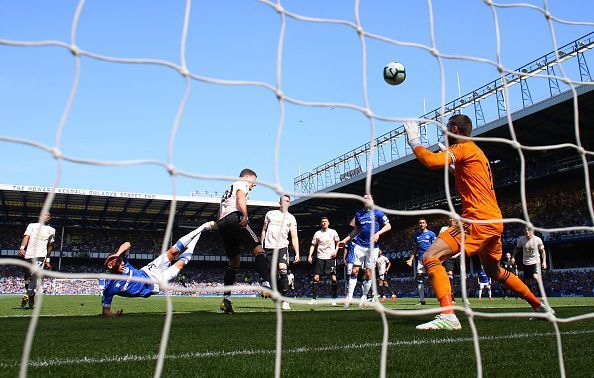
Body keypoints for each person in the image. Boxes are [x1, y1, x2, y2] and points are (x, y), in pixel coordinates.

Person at [404, 115, 550, 330]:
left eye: (447, 129)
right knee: (494, 271)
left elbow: (431, 161)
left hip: (477, 220)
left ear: (454, 128)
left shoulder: (464, 148)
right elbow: (474, 179)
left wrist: (414, 140)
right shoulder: (477, 153)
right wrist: (456, 168)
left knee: (430, 256)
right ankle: (539, 307)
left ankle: (449, 316)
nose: (445, 133)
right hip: (494, 221)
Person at [102, 222, 214, 317]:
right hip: (153, 284)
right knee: (180, 265)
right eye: (118, 262)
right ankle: (197, 237)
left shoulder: (124, 262)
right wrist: (114, 314)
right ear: (111, 266)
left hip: (148, 270)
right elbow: (105, 311)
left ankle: (202, 228)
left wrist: (117, 254)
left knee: (173, 251)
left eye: (121, 260)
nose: (122, 262)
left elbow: (128, 244)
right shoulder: (109, 288)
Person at [217, 168, 272, 314]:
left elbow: (220, 210)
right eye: (254, 181)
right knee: (258, 249)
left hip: (222, 223)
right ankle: (265, 284)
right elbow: (241, 197)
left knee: (233, 263)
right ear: (247, 178)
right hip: (235, 217)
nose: (254, 185)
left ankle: (226, 300)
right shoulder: (241, 184)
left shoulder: (227, 190)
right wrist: (245, 215)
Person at [339, 194, 391, 308]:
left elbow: (388, 226)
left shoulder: (378, 213)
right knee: (354, 271)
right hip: (359, 246)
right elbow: (356, 230)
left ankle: (364, 296)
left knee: (368, 273)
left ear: (372, 200)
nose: (366, 200)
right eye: (364, 198)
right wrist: (345, 239)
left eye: (368, 198)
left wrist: (378, 233)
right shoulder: (359, 214)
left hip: (373, 248)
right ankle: (349, 297)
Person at [261, 194, 300, 310]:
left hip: (282, 246)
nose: (286, 203)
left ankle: (285, 300)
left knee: (283, 269)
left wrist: (297, 252)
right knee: (272, 274)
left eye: (288, 201)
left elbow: (294, 237)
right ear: (280, 203)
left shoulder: (291, 218)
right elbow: (264, 230)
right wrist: (261, 245)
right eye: (284, 201)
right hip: (269, 247)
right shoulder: (270, 214)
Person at [18, 212, 56, 309]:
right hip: (28, 255)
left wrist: (47, 260)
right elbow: (26, 237)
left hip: (41, 256)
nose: (48, 217)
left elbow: (50, 246)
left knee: (35, 276)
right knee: (27, 278)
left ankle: (27, 294)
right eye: (46, 215)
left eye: (49, 216)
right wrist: (22, 248)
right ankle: (31, 295)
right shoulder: (32, 226)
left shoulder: (51, 230)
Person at [308, 216, 340, 305]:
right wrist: (310, 255)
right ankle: (314, 299)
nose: (324, 223)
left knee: (333, 278)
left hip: (330, 257)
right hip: (320, 257)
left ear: (328, 223)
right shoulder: (317, 233)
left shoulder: (333, 232)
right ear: (321, 223)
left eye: (325, 221)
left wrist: (336, 251)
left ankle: (334, 299)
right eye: (322, 221)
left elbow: (338, 243)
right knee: (316, 278)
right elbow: (313, 245)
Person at [406, 218, 436, 305]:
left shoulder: (431, 234)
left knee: (433, 278)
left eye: (423, 223)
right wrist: (411, 259)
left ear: (426, 224)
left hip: (430, 259)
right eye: (420, 223)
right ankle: (422, 300)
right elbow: (415, 249)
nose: (421, 224)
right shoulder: (416, 235)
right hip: (420, 259)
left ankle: (441, 296)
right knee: (419, 276)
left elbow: (435, 246)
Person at [513, 228, 547, 295]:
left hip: (535, 261)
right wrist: (513, 257)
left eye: (528, 230)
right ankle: (531, 295)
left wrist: (544, 262)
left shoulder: (537, 239)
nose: (527, 232)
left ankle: (542, 294)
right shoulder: (521, 239)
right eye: (525, 230)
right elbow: (517, 248)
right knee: (527, 281)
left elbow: (543, 251)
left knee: (535, 276)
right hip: (526, 262)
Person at [439, 218, 461, 302]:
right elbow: (439, 240)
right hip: (448, 256)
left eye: (453, 219)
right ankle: (452, 296)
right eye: (450, 219)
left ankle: (464, 296)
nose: (451, 221)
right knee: (449, 275)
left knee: (463, 276)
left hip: (459, 255)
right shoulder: (443, 229)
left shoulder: (460, 228)